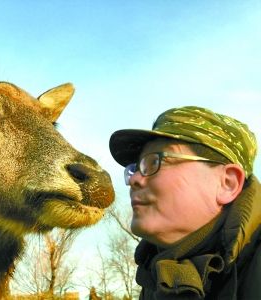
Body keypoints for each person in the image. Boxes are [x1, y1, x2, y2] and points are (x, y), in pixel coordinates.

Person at [109, 106, 260, 299]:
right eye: (135, 168)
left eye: (154, 162)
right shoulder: (155, 273)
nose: (133, 179)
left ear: (227, 184)